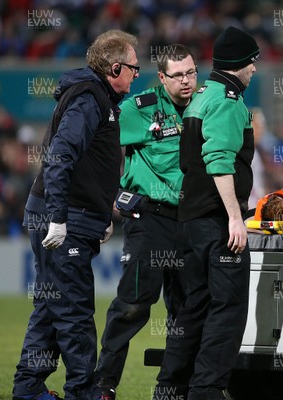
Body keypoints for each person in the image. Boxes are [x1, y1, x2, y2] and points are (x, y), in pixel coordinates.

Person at [12, 30, 139, 400]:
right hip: (62, 216)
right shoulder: (90, 98)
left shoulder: (95, 96)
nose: (136, 74)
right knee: (75, 313)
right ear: (115, 67)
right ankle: (82, 393)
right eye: (133, 67)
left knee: (52, 307)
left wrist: (100, 215)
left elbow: (87, 165)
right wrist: (58, 217)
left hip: (72, 214)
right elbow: (60, 155)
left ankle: (29, 389)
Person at [152, 26, 258, 400]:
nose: (254, 70)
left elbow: (189, 160)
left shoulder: (201, 95)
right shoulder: (228, 100)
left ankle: (170, 388)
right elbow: (218, 160)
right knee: (227, 309)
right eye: (252, 62)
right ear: (239, 64)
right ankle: (207, 390)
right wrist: (234, 216)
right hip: (217, 222)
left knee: (193, 308)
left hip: (190, 222)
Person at [92, 44, 198, 399]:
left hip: (190, 221)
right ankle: (104, 384)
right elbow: (99, 146)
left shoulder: (204, 106)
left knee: (185, 309)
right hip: (150, 218)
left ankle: (171, 388)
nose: (187, 81)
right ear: (162, 77)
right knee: (134, 302)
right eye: (179, 75)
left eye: (192, 72)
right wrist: (101, 203)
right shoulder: (140, 109)